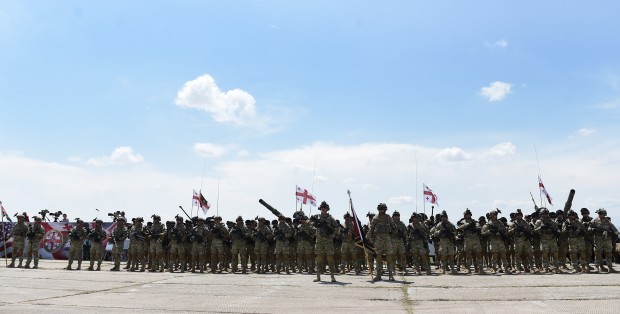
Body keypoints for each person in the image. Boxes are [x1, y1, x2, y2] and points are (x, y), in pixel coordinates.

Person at [312, 201, 339, 282]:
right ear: (320, 209)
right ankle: (318, 276)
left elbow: (336, 228)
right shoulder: (317, 217)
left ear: (327, 209)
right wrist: (315, 224)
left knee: (330, 258)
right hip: (319, 240)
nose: (324, 209)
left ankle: (332, 276)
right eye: (322, 208)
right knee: (319, 258)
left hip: (328, 240)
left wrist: (332, 235)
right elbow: (311, 225)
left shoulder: (330, 218)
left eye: (325, 208)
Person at [368, 203, 396, 281]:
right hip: (378, 239)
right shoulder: (375, 218)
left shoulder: (388, 218)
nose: (381, 210)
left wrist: (391, 236)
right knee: (378, 256)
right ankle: (378, 275)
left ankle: (390, 274)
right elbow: (371, 229)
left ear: (385, 209)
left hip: (387, 238)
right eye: (380, 209)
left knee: (389, 256)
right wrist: (370, 238)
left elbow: (394, 228)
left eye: (383, 209)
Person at [590, 208, 618, 273]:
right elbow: (589, 228)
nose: (600, 215)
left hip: (607, 239)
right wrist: (593, 230)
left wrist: (615, 234)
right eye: (599, 213)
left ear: (605, 214)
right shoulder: (594, 220)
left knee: (609, 252)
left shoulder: (608, 221)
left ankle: (610, 267)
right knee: (598, 252)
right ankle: (597, 267)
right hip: (598, 238)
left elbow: (614, 229)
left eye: (602, 214)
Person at [457, 209, 485, 275]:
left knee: (478, 253)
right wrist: (466, 225)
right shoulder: (462, 222)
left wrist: (475, 226)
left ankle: (480, 268)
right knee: (468, 254)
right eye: (467, 214)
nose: (468, 215)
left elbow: (479, 226)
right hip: (467, 238)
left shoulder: (474, 221)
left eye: (469, 214)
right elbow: (459, 228)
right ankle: (468, 269)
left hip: (475, 238)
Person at [533, 208, 561, 273]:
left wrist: (556, 231)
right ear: (541, 214)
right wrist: (541, 227)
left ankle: (556, 267)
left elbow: (557, 229)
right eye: (543, 214)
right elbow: (535, 231)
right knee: (545, 254)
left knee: (555, 254)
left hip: (553, 240)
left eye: (546, 214)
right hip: (544, 240)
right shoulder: (539, 222)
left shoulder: (552, 221)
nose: (545, 215)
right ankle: (546, 267)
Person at [508, 209, 534, 273]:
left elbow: (530, 230)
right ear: (515, 216)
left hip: (526, 240)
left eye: (520, 215)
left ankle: (531, 268)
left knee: (530, 254)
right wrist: (515, 229)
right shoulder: (513, 223)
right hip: (518, 241)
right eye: (517, 215)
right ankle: (518, 268)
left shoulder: (525, 222)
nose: (519, 216)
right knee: (518, 255)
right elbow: (509, 232)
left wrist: (526, 231)